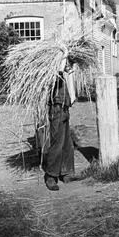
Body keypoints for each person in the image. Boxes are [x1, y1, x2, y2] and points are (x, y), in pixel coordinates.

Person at [42, 61, 75, 191]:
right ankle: (51, 176)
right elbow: (58, 71)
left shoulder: (63, 70)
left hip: (64, 108)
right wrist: (64, 55)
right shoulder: (51, 68)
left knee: (67, 143)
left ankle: (66, 173)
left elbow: (66, 72)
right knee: (57, 144)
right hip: (56, 110)